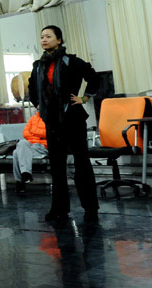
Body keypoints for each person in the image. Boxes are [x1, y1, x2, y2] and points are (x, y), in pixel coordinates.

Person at [27, 25, 99, 223]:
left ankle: (90, 208)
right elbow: (32, 88)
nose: (44, 39)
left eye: (48, 36)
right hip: (52, 120)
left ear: (59, 40)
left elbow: (94, 78)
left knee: (82, 163)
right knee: (57, 166)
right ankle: (59, 208)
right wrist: (38, 104)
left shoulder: (72, 61)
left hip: (73, 118)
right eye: (42, 36)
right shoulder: (38, 65)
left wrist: (84, 98)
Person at [14, 111, 48, 194]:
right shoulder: (33, 118)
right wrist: (38, 135)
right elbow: (25, 133)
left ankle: (20, 182)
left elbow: (47, 133)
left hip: (42, 146)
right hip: (29, 146)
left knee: (16, 153)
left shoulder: (50, 118)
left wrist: (33, 131)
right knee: (21, 144)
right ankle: (26, 174)